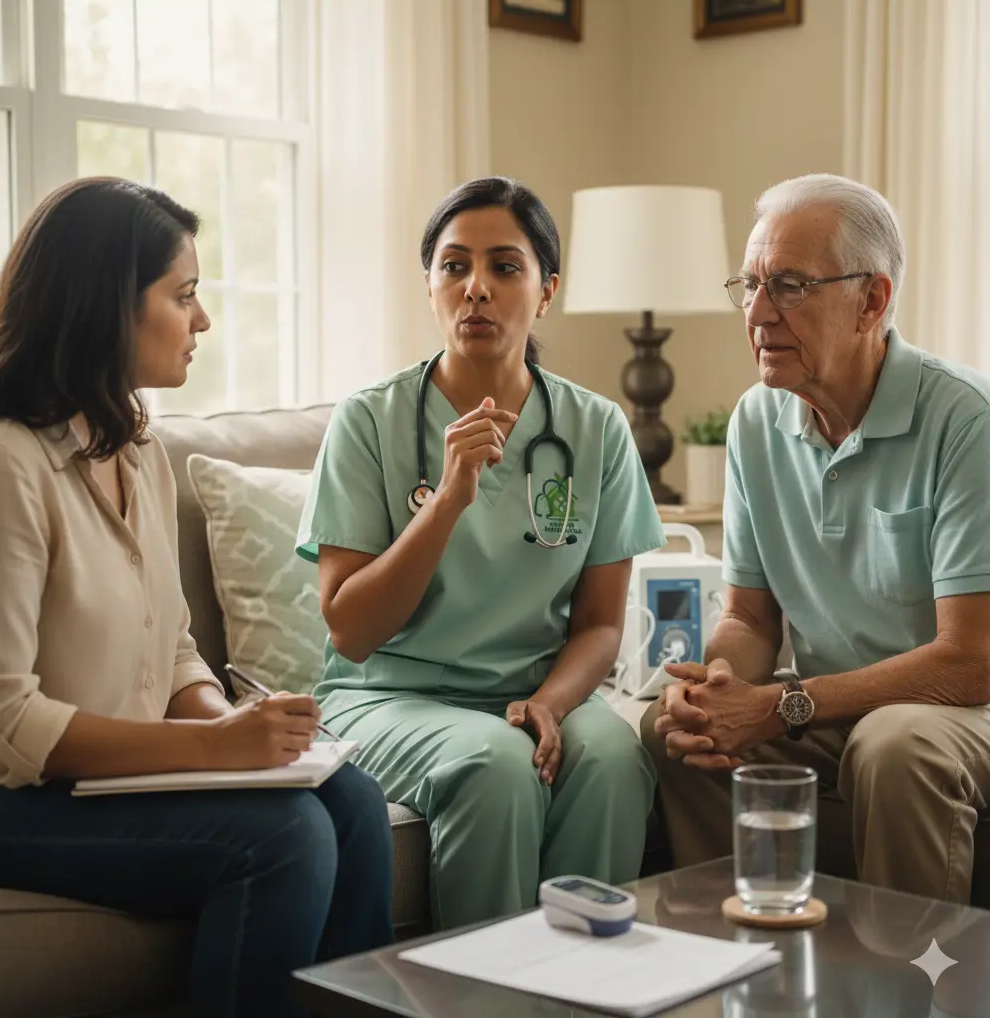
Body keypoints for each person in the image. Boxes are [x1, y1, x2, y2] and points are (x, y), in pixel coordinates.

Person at [0, 177, 394, 1018]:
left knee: (352, 799)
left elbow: (172, 652)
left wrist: (236, 726)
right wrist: (214, 751)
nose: (203, 321)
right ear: (107, 306)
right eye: (184, 294)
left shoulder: (132, 444)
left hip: (97, 785)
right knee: (284, 841)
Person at [296, 176, 663, 930]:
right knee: (494, 766)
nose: (476, 290)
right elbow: (351, 631)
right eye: (454, 266)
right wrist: (450, 500)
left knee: (615, 760)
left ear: (547, 288)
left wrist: (552, 704)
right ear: (429, 285)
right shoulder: (370, 423)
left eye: (504, 266)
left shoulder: (595, 429)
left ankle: (585, 1000)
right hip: (389, 696)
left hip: (535, 688)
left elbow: (599, 623)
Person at [641, 173, 990, 904]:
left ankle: (906, 993)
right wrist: (717, 689)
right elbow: (749, 618)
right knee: (676, 734)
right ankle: (732, 964)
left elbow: (971, 660)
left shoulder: (968, 421)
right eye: (751, 284)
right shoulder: (755, 422)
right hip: (839, 706)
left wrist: (781, 704)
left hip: (962, 710)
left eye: (791, 285)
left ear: (873, 301)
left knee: (894, 744)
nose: (759, 313)